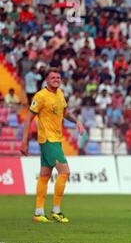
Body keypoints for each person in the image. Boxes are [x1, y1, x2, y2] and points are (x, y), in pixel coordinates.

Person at [20, 68, 85, 223]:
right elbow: (29, 118)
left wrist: (77, 121)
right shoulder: (41, 96)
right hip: (48, 140)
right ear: (47, 81)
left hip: (56, 139)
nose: (56, 79)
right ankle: (56, 211)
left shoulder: (60, 94)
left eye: (58, 77)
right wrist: (24, 141)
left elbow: (65, 113)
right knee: (65, 172)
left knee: (44, 176)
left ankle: (38, 212)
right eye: (53, 77)